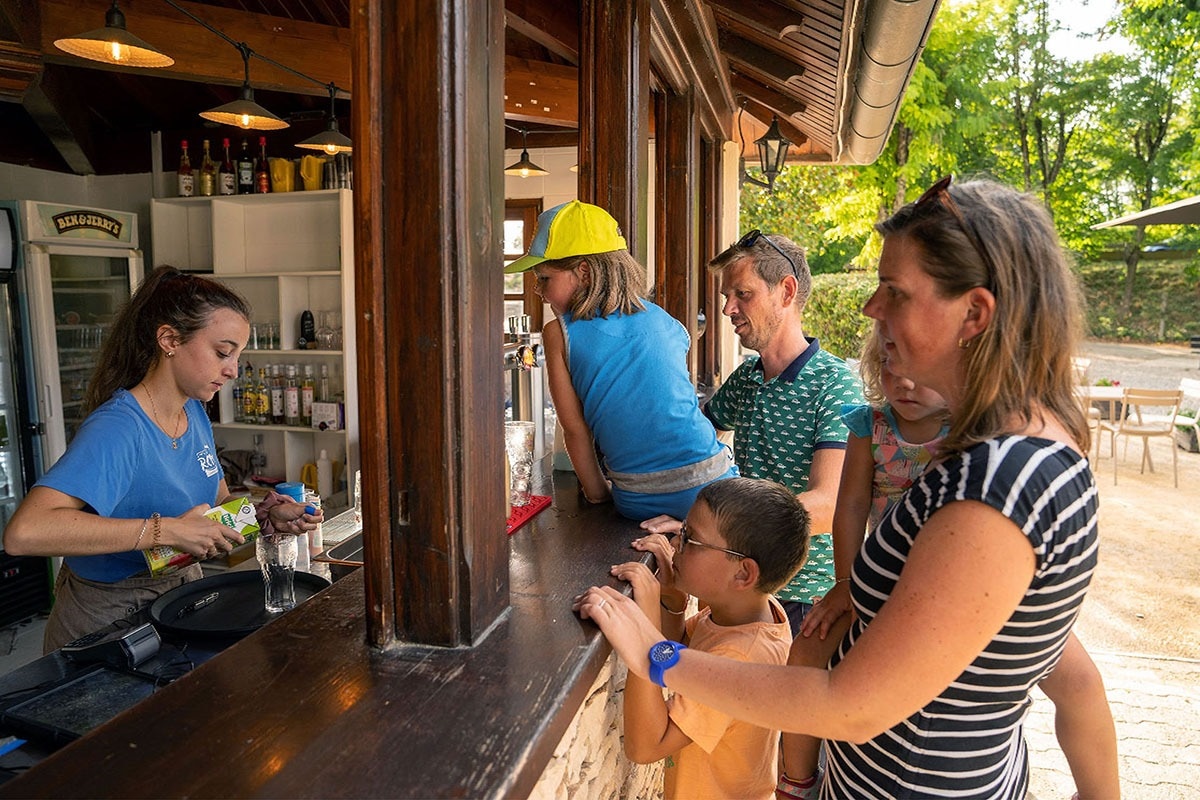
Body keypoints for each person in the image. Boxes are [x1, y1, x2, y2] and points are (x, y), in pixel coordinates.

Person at [576, 176, 1120, 798]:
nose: (871, 309)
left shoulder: (999, 484)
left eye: (896, 292)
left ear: (974, 314)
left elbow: (851, 705)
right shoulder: (1011, 451)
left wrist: (657, 652)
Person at [5, 266, 321, 653]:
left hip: (181, 593)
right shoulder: (119, 428)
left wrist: (263, 516)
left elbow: (217, 506)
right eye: (223, 353)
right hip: (110, 613)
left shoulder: (194, 413)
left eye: (237, 356)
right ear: (169, 339)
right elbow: (25, 533)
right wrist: (165, 531)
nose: (233, 371)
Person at [644, 230, 864, 634]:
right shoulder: (747, 376)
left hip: (802, 601)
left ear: (786, 291)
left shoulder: (835, 385)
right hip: (734, 590)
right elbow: (690, 442)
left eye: (742, 294)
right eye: (727, 296)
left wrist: (711, 535)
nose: (727, 308)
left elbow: (828, 505)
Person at [504, 200, 735, 521]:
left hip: (641, 497)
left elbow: (575, 430)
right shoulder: (666, 320)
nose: (538, 290)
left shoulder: (559, 333)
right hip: (716, 486)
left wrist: (598, 493)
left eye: (544, 279)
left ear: (584, 272)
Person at [581, 477, 809, 800]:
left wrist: (644, 625)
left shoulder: (740, 657)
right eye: (682, 531)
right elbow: (680, 660)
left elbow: (646, 746)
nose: (676, 544)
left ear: (743, 573)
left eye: (691, 539)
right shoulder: (745, 614)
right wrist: (672, 601)